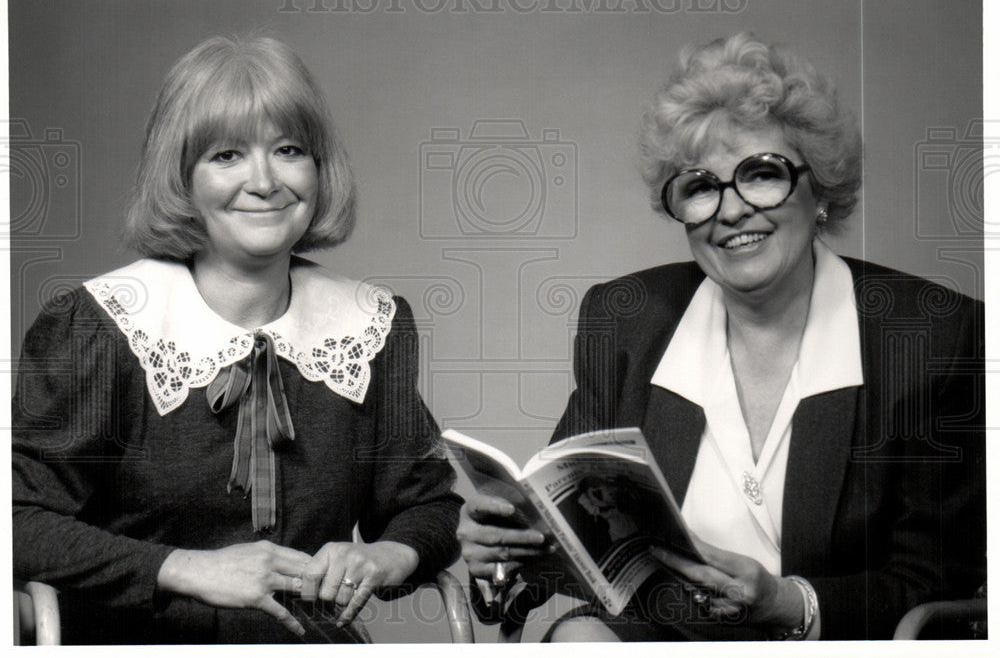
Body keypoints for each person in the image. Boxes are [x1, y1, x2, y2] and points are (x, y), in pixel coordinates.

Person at [457, 32, 985, 641]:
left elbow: (939, 584)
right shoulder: (627, 321)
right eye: (702, 186)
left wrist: (793, 604)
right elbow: (572, 543)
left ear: (821, 192)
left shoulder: (934, 336)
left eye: (761, 174)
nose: (731, 211)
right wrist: (501, 555)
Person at [12, 35, 461, 644]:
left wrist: (385, 558)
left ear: (318, 167)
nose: (265, 181)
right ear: (182, 176)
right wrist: (185, 569)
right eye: (227, 155)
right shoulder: (100, 327)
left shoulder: (370, 328)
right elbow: (18, 518)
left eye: (288, 150)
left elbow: (426, 507)